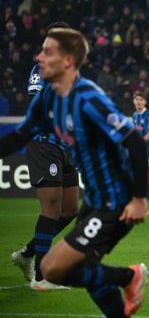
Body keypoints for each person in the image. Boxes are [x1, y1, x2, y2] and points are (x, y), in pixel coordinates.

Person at [0, 25, 149, 315]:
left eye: (47, 52)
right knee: (84, 270)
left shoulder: (89, 98)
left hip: (115, 202)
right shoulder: (47, 97)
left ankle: (129, 276)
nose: (39, 57)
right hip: (94, 201)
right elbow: (19, 137)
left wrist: (137, 199)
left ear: (67, 61)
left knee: (53, 268)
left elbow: (134, 141)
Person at [11, 55, 80, 291]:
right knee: (51, 208)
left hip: (66, 146)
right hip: (45, 144)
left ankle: (27, 254)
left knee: (70, 209)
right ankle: (41, 277)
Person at [133, 91, 149, 216]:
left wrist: (138, 142)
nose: (138, 102)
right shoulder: (134, 115)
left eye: (141, 99)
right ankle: (140, 206)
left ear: (145, 102)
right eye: (137, 99)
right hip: (138, 152)